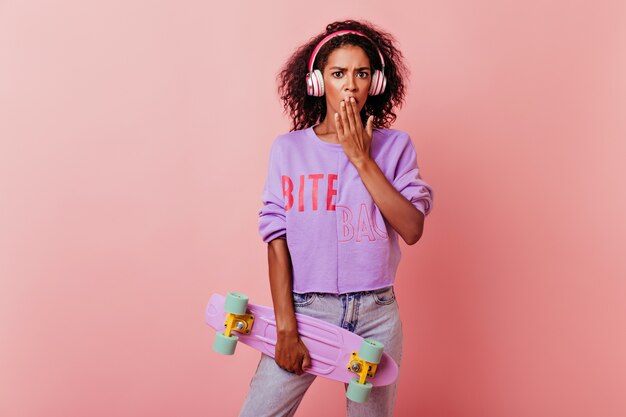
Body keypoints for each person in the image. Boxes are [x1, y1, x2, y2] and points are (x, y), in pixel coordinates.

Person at [239, 19, 434, 417]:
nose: (350, 84)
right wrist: (286, 327)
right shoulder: (288, 150)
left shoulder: (395, 147)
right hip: (307, 310)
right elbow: (276, 242)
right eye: (338, 73)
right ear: (317, 83)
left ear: (375, 83)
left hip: (377, 315)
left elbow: (412, 229)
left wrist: (361, 158)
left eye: (361, 73)